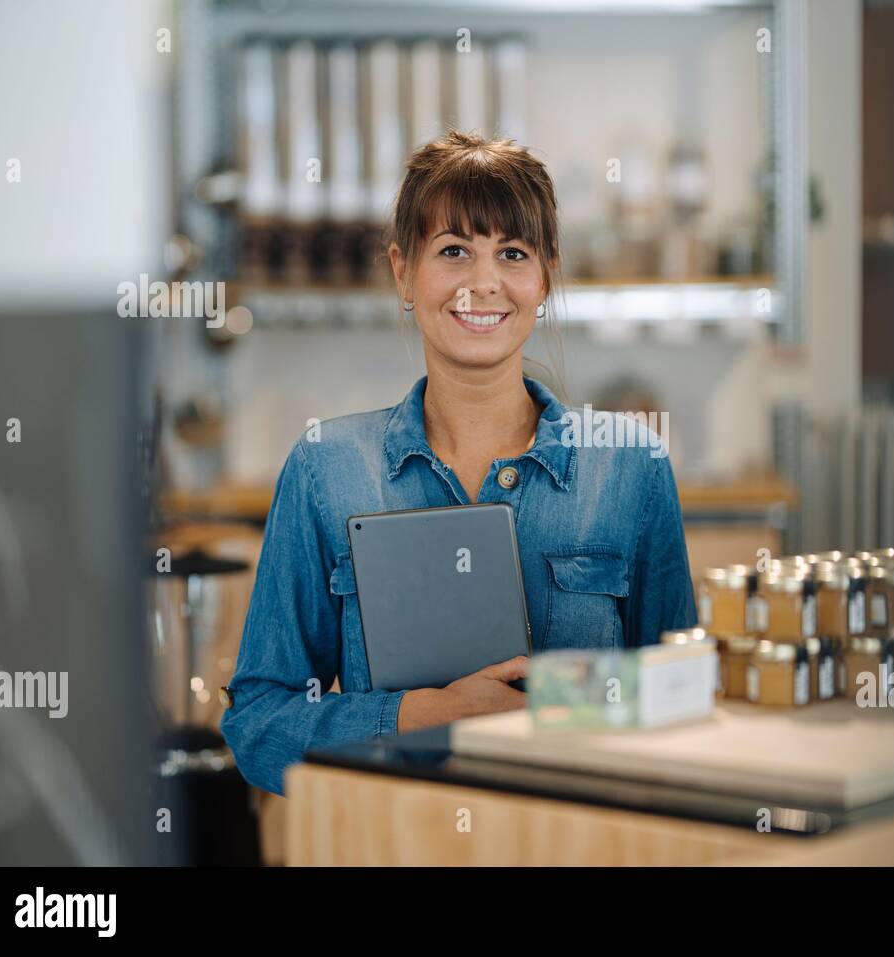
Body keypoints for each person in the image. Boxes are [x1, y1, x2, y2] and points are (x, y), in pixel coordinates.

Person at [221, 130, 697, 795]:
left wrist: (550, 701)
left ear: (545, 277)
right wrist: (415, 715)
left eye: (512, 252)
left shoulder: (630, 467)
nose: (483, 283)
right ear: (402, 272)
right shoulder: (326, 469)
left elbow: (686, 696)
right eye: (453, 251)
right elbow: (259, 722)